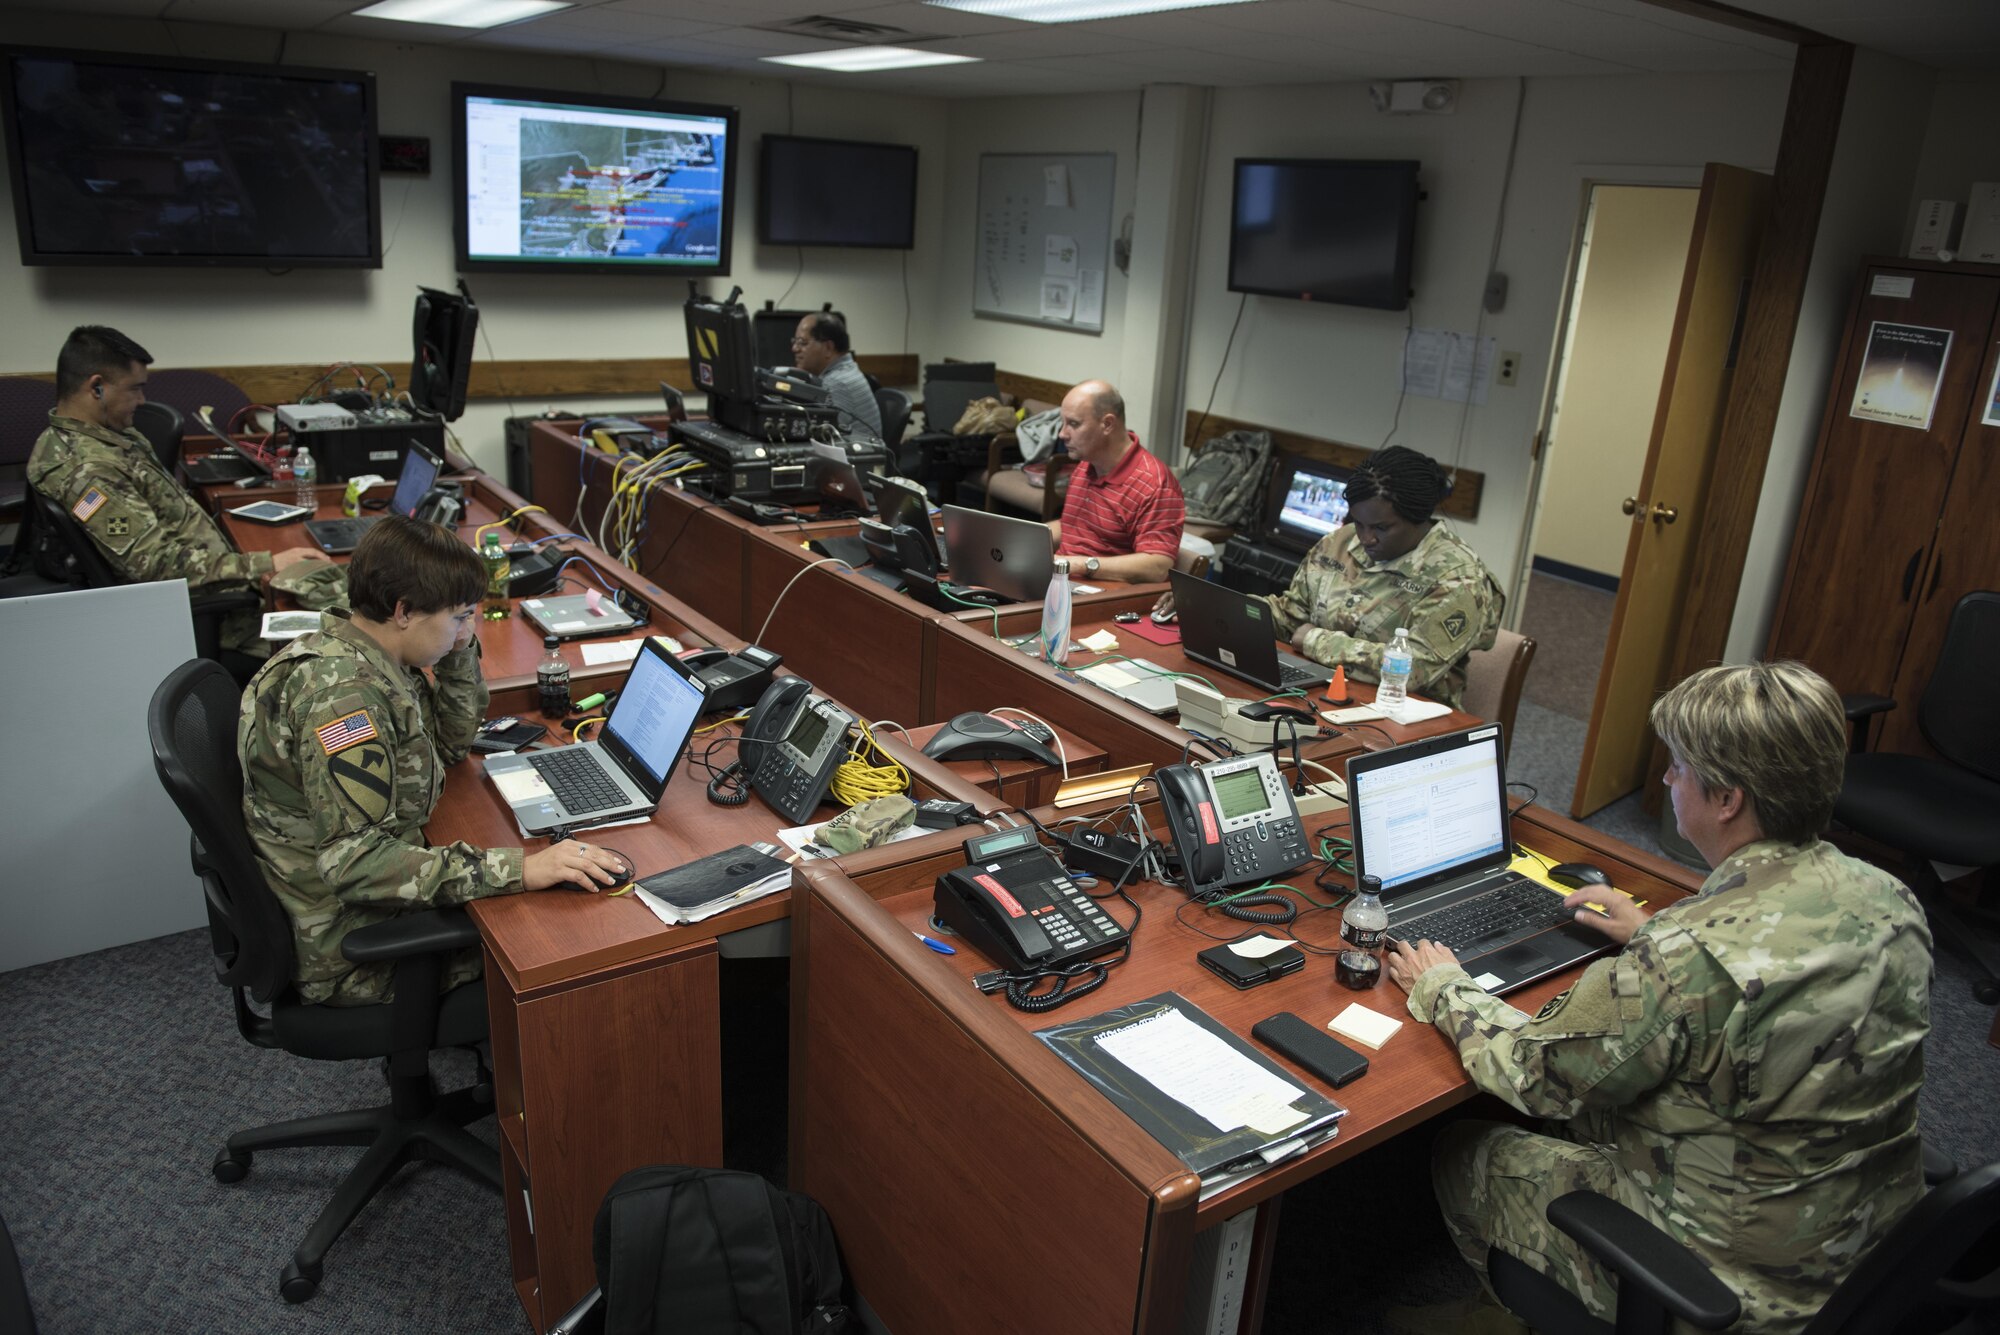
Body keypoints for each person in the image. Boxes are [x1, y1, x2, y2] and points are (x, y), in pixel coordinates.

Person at [1384, 661, 1931, 1335]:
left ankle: (1504, 1317)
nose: (1669, 780)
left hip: (1732, 1285)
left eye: (1677, 767)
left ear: (1726, 798)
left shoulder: (1684, 957)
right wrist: (1650, 932)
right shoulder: (1892, 900)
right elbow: (1768, 980)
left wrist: (1444, 987)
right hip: (1869, 1252)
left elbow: (1535, 1074)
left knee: (1462, 1150)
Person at [239, 516, 629, 1006]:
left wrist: (457, 651)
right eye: (461, 616)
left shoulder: (368, 652)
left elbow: (447, 747)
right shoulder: (344, 700)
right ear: (404, 611)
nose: (466, 629)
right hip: (349, 947)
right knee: (570, 942)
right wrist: (519, 870)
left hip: (362, 899)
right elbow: (355, 863)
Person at [26, 325, 337, 653]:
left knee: (343, 586)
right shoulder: (87, 471)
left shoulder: (104, 437)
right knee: (349, 633)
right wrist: (263, 564)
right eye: (134, 389)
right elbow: (153, 565)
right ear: (97, 388)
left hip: (219, 580)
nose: (142, 400)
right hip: (222, 616)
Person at [1266, 445, 1501, 709]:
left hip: (1405, 716)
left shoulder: (1458, 579)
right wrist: (1239, 613)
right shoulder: (1340, 543)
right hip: (1321, 693)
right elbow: (1292, 616)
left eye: (1381, 527)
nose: (1366, 538)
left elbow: (1413, 669)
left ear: (1418, 519)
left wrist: (1315, 641)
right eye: (1358, 523)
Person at [1046, 380, 1184, 585]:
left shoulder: (1155, 484)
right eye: (1063, 423)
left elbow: (1158, 566)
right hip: (1065, 581)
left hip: (1104, 593)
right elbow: (1071, 526)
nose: (1062, 434)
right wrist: (1026, 538)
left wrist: (1078, 565)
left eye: (1073, 424)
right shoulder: (1086, 464)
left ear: (1107, 424)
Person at [791, 311, 883, 439]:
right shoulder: (846, 370)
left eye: (802, 342)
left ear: (828, 348)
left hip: (855, 457)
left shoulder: (837, 384)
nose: (795, 348)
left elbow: (818, 436)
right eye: (794, 342)